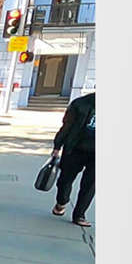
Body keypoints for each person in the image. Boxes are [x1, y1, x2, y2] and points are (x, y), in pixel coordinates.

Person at [50, 91, 96, 227]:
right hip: (75, 148)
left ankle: (79, 215)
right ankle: (62, 201)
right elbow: (66, 126)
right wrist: (57, 146)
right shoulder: (80, 104)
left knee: (90, 185)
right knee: (65, 180)